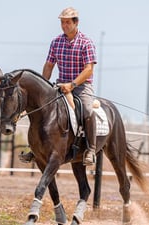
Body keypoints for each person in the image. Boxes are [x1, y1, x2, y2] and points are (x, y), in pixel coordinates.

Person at [19, 7, 97, 165]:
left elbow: (88, 69)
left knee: (87, 110)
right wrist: (43, 86)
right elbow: (49, 65)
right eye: (62, 22)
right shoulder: (56, 42)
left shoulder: (86, 43)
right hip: (60, 85)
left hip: (81, 86)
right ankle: (35, 149)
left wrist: (73, 84)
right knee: (42, 109)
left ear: (76, 23)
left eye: (68, 22)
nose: (64, 25)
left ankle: (91, 149)